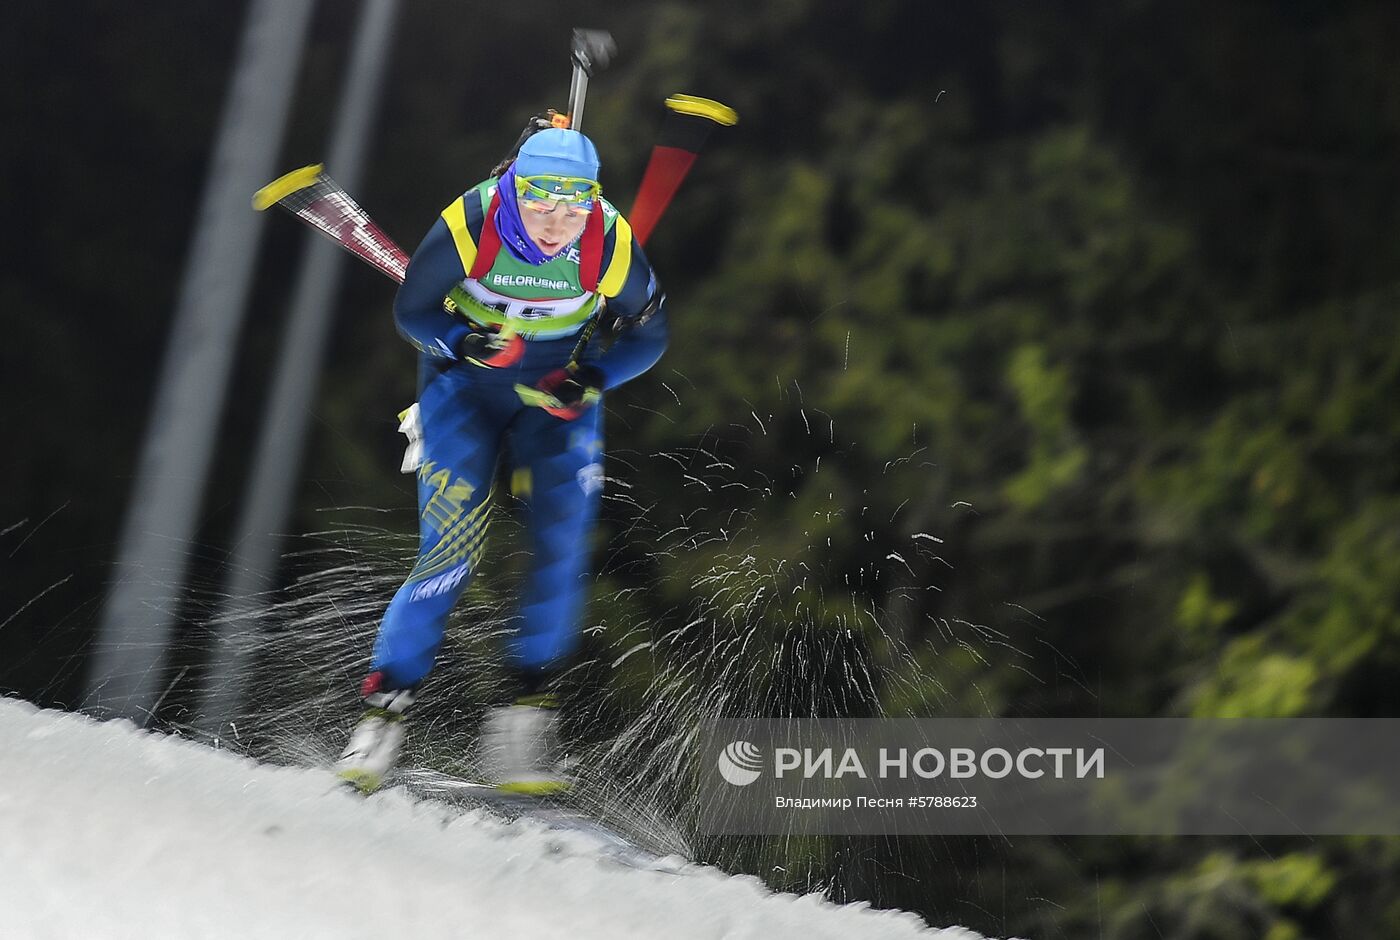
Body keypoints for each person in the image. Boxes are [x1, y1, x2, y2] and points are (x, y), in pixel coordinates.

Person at [336, 126, 668, 794]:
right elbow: (414, 311)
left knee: (564, 542)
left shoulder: (606, 240)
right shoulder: (472, 221)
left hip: (555, 393)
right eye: (541, 204)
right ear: (515, 188)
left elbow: (651, 333)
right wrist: (462, 340)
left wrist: (596, 377)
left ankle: (521, 721)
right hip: (462, 389)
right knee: (452, 548)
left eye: (572, 207)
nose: (556, 224)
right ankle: (384, 710)